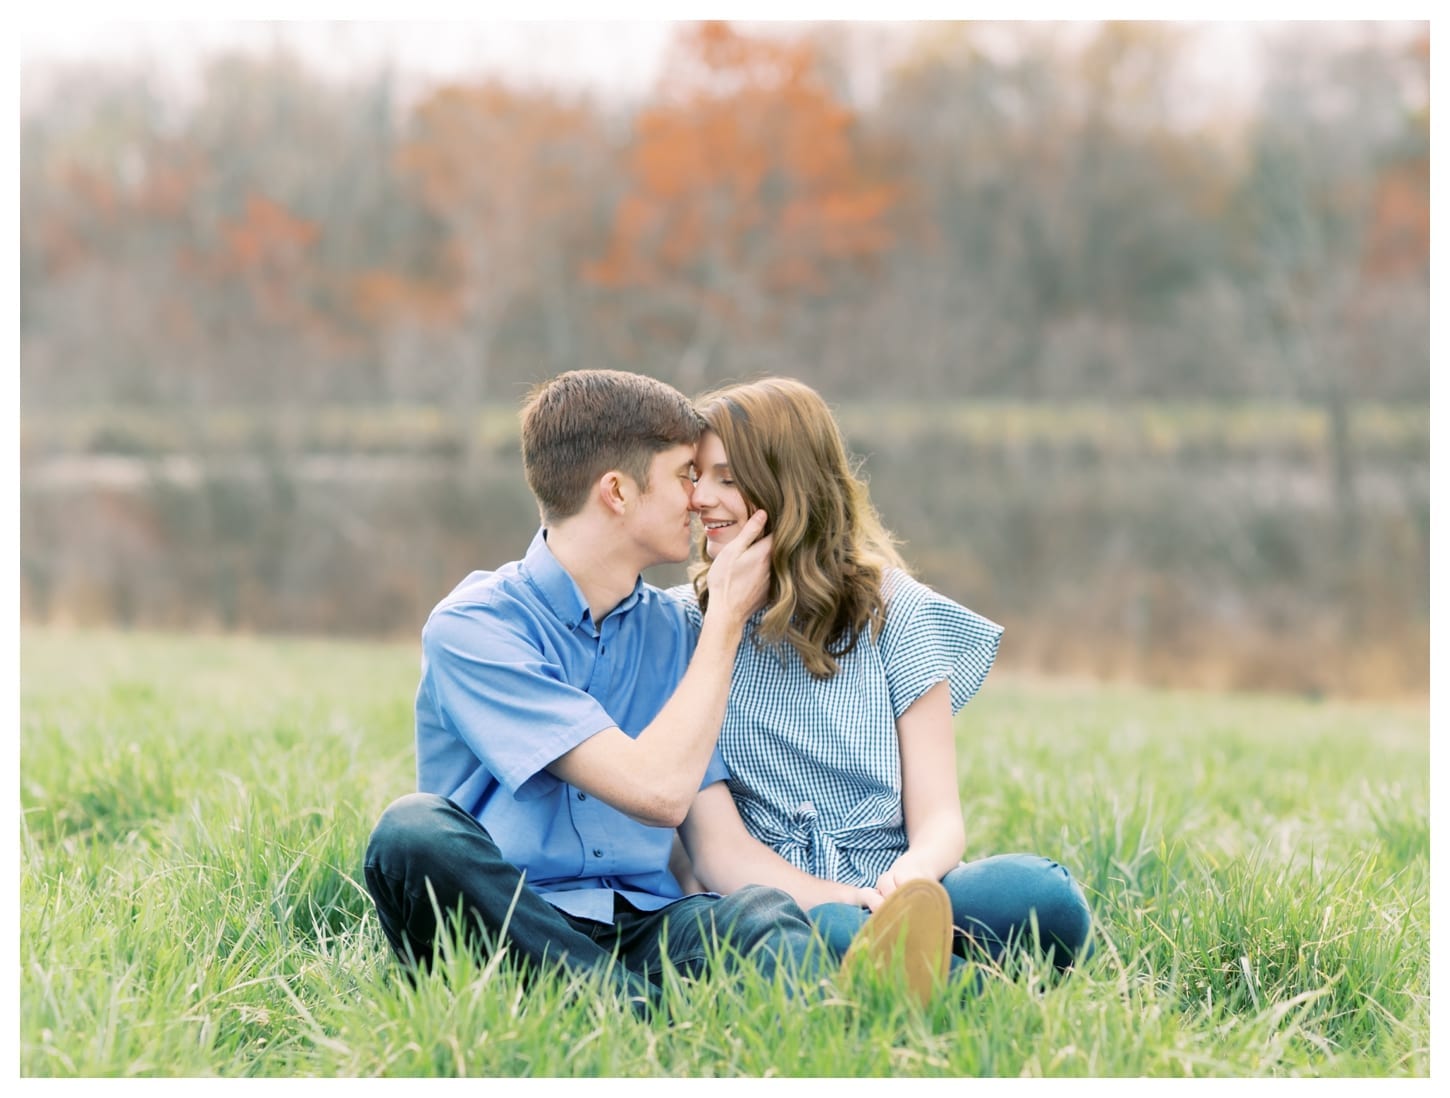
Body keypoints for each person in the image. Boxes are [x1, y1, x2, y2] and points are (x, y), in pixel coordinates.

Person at [363, 369, 955, 1015]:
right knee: (411, 832)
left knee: (758, 917)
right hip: (514, 918)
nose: (699, 499)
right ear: (617, 492)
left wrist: (855, 900)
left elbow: (719, 846)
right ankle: (635, 1012)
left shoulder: (678, 632)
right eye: (684, 476)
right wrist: (727, 620)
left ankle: (872, 1004)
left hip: (649, 922)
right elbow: (656, 793)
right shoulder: (476, 626)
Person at [669, 377, 1093, 981]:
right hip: (776, 899)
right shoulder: (682, 625)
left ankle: (915, 956)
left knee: (1043, 895)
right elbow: (717, 854)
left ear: (788, 485)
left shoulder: (894, 609)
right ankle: (949, 983)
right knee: (835, 934)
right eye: (695, 477)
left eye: (728, 479)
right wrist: (839, 899)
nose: (699, 499)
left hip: (899, 884)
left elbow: (941, 816)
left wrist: (912, 876)